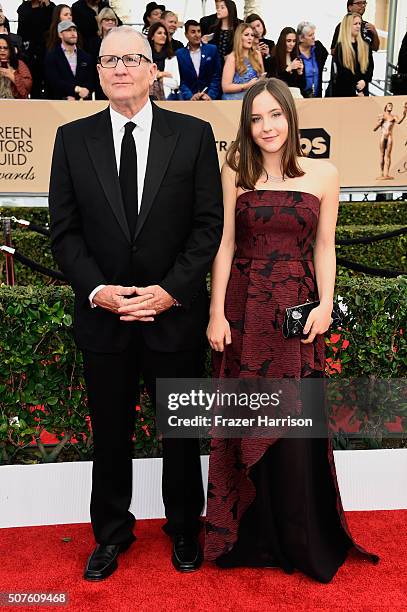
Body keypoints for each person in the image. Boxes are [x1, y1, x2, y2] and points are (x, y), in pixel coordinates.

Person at [48, 25, 223, 580]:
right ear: (97, 72)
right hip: (105, 319)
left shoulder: (192, 136)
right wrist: (100, 292)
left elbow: (207, 227)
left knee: (180, 434)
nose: (120, 68)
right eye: (109, 60)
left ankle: (184, 531)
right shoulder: (73, 140)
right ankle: (110, 535)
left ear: (154, 68)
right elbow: (65, 233)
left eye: (132, 58)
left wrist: (169, 292)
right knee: (110, 436)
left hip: (173, 318)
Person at [204, 77, 380, 582]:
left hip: (297, 313)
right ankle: (250, 537)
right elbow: (226, 245)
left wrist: (325, 305)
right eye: (255, 119)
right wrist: (216, 313)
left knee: (297, 428)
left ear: (291, 116)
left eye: (274, 115)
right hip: (246, 309)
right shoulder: (237, 168)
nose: (266, 127)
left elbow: (325, 246)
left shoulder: (325, 174)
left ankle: (303, 538)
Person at [44, 20, 94, 99]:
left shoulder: (86, 57)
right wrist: (75, 90)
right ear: (60, 34)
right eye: (68, 30)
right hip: (59, 103)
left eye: (74, 30)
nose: (73, 33)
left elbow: (91, 79)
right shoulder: (52, 56)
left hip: (83, 103)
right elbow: (53, 81)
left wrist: (86, 90)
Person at [17, 0, 56, 98]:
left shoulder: (50, 7)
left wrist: (47, 5)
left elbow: (52, 26)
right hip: (29, 52)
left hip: (46, 51)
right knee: (34, 85)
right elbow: (21, 31)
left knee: (49, 84)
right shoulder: (24, 7)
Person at [176, 20, 221, 101]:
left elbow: (216, 76)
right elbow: (180, 79)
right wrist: (190, 96)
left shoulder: (212, 49)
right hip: (189, 101)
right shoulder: (179, 54)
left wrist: (210, 95)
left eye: (199, 31)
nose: (197, 35)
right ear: (186, 34)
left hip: (209, 99)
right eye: (193, 32)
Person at [331, 13, 373, 97]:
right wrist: (356, 91)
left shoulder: (365, 46)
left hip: (362, 91)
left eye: (359, 24)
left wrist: (364, 81)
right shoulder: (340, 47)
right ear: (347, 26)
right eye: (355, 24)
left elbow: (370, 67)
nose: (358, 26)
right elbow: (342, 74)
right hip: (344, 93)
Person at [221, 23, 263, 100]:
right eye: (246, 35)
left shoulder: (257, 54)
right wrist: (246, 86)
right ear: (239, 37)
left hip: (254, 98)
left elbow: (261, 77)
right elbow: (225, 87)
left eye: (252, 35)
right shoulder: (232, 58)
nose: (250, 38)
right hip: (235, 100)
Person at [88, 6, 119, 99]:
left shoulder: (121, 41)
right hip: (100, 83)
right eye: (106, 19)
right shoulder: (93, 43)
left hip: (117, 80)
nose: (110, 22)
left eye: (113, 20)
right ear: (100, 22)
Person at [373, 101, 407, 180]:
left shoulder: (394, 117)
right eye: (389, 105)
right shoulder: (382, 116)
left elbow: (399, 122)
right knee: (382, 155)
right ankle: (381, 173)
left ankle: (387, 174)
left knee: (388, 156)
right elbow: (374, 129)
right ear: (386, 107)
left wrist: (404, 115)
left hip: (389, 137)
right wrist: (380, 123)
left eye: (391, 106)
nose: (390, 107)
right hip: (383, 136)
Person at [147, 21, 180, 100]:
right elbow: (143, 78)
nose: (163, 36)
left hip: (167, 98)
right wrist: (161, 74)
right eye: (159, 33)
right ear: (152, 37)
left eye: (165, 33)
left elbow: (176, 83)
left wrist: (160, 78)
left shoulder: (171, 57)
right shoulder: (146, 56)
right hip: (147, 97)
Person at [269, 27, 304, 96]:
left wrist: (300, 73)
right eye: (288, 41)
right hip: (280, 95)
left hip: (295, 95)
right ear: (282, 41)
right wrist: (289, 68)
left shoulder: (296, 58)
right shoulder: (274, 59)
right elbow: (273, 82)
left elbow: (302, 86)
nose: (292, 44)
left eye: (294, 41)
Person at [203, 0, 240, 66]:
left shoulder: (238, 28)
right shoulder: (213, 28)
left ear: (230, 9)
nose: (218, 10)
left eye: (222, 7)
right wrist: (205, 42)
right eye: (217, 7)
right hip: (215, 66)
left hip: (233, 65)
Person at [297, 21, 327, 98]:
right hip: (301, 97)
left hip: (319, 96)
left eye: (313, 34)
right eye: (310, 35)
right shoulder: (295, 53)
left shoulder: (319, 48)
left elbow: (328, 62)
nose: (313, 37)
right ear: (301, 38)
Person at [0, 33, 32, 98]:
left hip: (14, 103)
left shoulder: (19, 64)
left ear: (10, 49)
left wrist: (13, 76)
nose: (2, 50)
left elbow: (25, 92)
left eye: (5, 48)